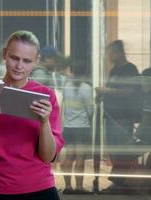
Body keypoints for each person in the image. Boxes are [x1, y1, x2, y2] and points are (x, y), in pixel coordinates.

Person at [0, 30, 64, 200]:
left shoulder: (45, 96)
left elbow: (48, 157)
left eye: (27, 61)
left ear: (36, 62)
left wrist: (44, 122)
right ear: (4, 54)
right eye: (14, 58)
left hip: (39, 188)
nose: (19, 66)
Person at [96, 40, 140, 192]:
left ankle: (119, 183)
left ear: (120, 53)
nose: (109, 56)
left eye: (111, 53)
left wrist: (106, 91)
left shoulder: (130, 69)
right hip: (111, 117)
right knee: (114, 150)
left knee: (122, 150)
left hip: (123, 117)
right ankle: (120, 182)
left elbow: (130, 92)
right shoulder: (114, 70)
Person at [60, 59, 93, 194]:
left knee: (69, 157)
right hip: (82, 128)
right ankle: (79, 187)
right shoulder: (87, 88)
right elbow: (90, 109)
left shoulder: (66, 87)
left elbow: (64, 106)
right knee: (80, 158)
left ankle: (68, 187)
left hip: (68, 127)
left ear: (72, 71)